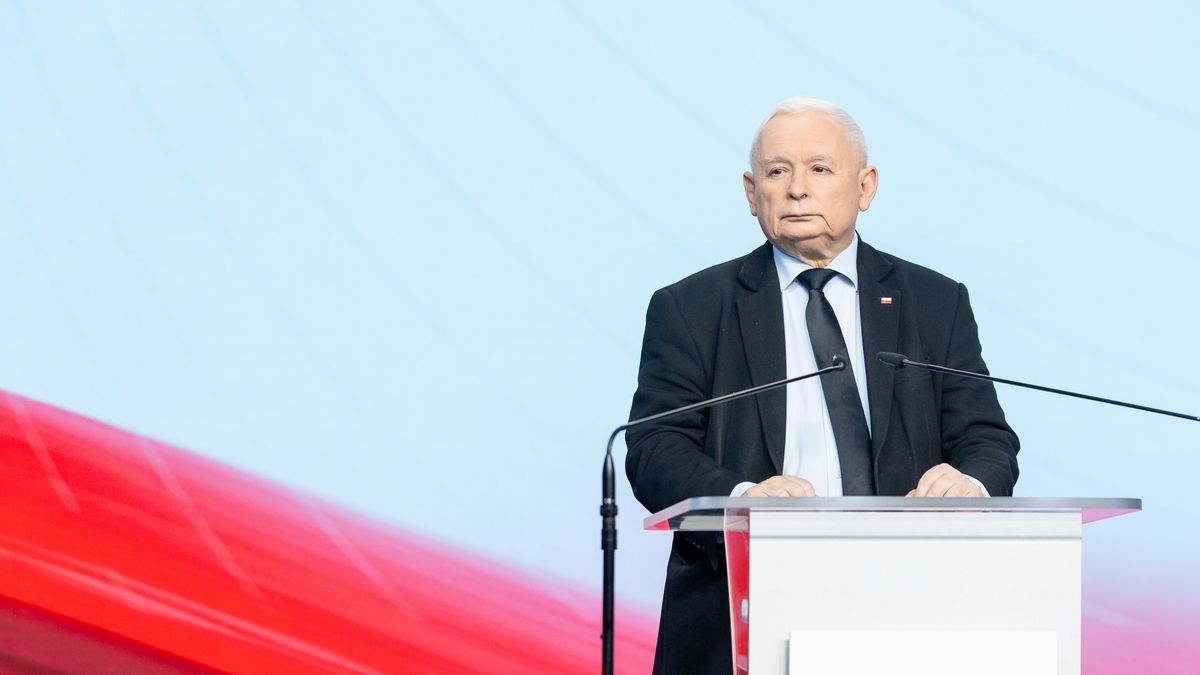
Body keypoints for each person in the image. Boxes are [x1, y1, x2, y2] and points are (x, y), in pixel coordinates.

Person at [624, 97, 1020, 675]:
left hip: (914, 598)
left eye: (819, 168)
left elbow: (987, 438)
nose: (796, 189)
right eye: (777, 171)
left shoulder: (933, 302)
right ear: (750, 191)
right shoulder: (692, 307)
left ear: (865, 187)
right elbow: (655, 449)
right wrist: (741, 499)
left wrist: (971, 484)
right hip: (747, 601)